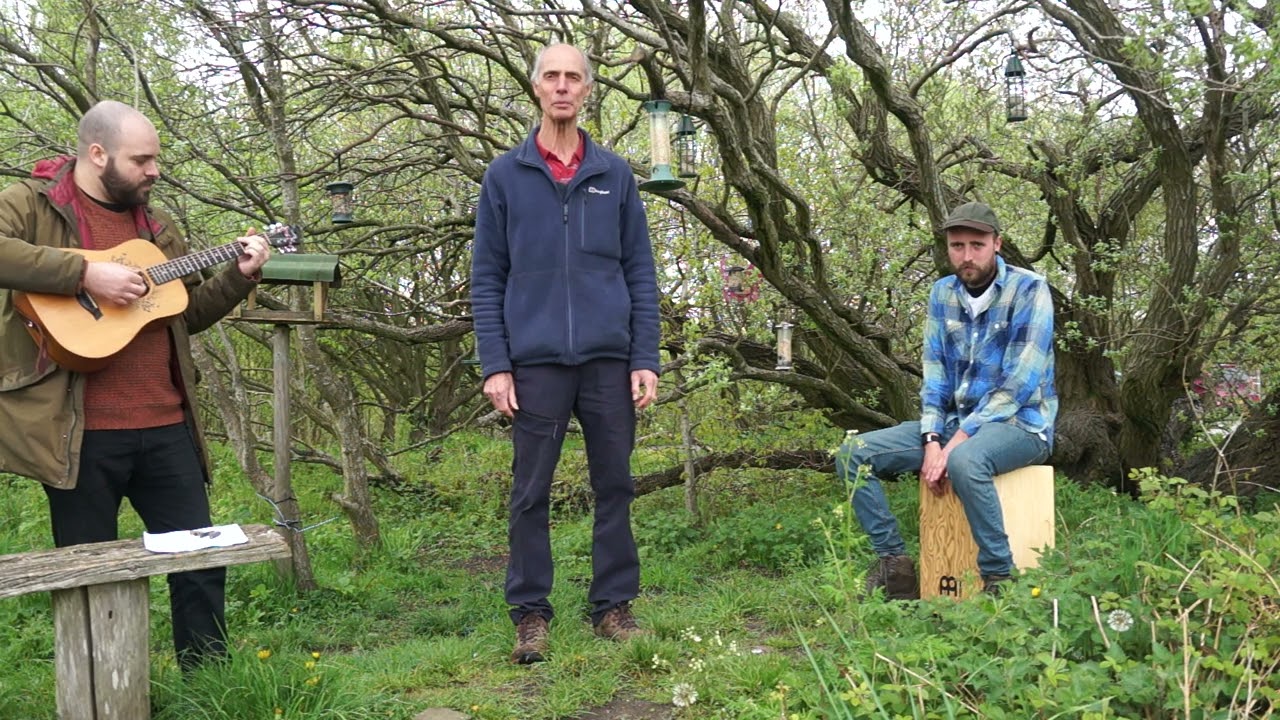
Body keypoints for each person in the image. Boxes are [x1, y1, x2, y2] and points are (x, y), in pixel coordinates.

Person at [0, 100, 271, 669]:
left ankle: (209, 686)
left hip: (166, 424)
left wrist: (238, 277)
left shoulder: (155, 225)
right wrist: (85, 272)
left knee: (200, 563)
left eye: (156, 159)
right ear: (97, 155)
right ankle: (101, 689)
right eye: (142, 159)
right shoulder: (31, 204)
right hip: (78, 433)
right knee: (89, 573)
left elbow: (184, 312)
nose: (155, 171)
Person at [471, 43, 661, 664]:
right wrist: (496, 365)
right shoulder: (504, 176)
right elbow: (487, 278)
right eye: (550, 77)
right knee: (530, 492)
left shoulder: (615, 175)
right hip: (536, 363)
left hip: (609, 359)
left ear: (587, 90)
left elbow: (640, 271)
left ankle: (613, 606)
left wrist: (645, 357)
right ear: (535, 89)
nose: (561, 87)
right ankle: (531, 615)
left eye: (572, 78)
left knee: (616, 484)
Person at [835, 201, 1056, 600]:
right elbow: (934, 376)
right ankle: (895, 568)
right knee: (854, 452)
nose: (967, 256)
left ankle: (999, 579)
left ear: (997, 244)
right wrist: (932, 439)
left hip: (1022, 426)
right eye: (957, 246)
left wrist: (952, 446)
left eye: (977, 244)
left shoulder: (1030, 289)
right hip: (956, 426)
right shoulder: (942, 293)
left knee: (964, 459)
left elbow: (1019, 383)